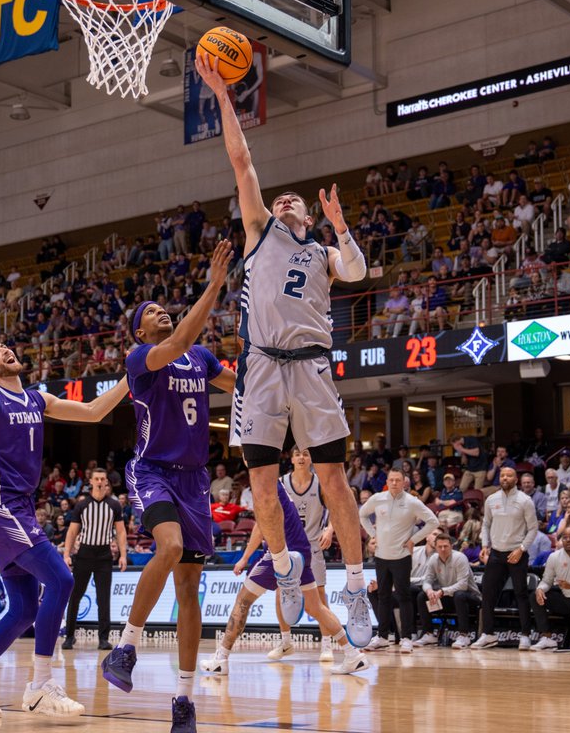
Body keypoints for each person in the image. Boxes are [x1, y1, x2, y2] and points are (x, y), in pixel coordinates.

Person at [196, 51, 374, 649]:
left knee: (334, 479)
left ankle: (353, 589)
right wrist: (224, 94)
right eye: (283, 200)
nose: (286, 202)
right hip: (263, 366)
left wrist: (341, 225)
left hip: (314, 365)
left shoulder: (324, 251)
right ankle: (287, 569)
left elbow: (358, 270)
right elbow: (241, 159)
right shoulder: (259, 231)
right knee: (263, 484)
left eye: (295, 201)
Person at [0, 339, 132, 721]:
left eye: (6, 347)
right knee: (61, 579)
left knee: (24, 610)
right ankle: (41, 684)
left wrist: (130, 377)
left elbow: (92, 411)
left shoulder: (37, 399)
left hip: (20, 507)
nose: (6, 351)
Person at [100, 241, 237, 732]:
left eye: (164, 309)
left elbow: (237, 383)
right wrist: (215, 285)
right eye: (152, 311)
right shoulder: (141, 359)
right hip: (153, 470)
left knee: (190, 593)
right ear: (140, 330)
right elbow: (177, 343)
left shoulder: (200, 356)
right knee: (170, 545)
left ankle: (184, 698)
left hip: (195, 481)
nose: (162, 313)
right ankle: (126, 645)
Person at [201, 482, 367, 677]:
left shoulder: (261, 481)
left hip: (281, 553)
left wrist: (245, 558)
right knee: (316, 607)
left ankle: (221, 659)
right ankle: (352, 654)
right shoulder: (275, 481)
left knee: (243, 601)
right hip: (302, 549)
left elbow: (261, 527)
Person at [359, 468, 439, 653]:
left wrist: (413, 540)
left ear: (404, 482)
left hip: (401, 557)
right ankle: (382, 637)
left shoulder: (412, 502)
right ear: (387, 481)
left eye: (398, 480)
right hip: (381, 556)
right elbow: (362, 514)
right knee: (383, 597)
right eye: (391, 480)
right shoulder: (378, 498)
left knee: (403, 597)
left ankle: (406, 638)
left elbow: (433, 521)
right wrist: (373, 535)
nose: (394, 483)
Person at [269, 446, 336, 661]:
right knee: (281, 592)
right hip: (287, 547)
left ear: (310, 459)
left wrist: (329, 528)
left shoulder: (319, 482)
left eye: (305, 454)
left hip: (312, 545)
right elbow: (269, 509)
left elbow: (336, 507)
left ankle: (327, 645)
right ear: (291, 458)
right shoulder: (281, 482)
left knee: (319, 595)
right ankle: (286, 642)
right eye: (297, 454)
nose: (301, 457)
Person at [472, 467, 538, 649]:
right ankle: (488, 634)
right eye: (502, 475)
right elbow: (486, 524)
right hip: (496, 553)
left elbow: (533, 528)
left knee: (521, 594)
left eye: (509, 475)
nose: (505, 478)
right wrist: (485, 545)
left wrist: (522, 549)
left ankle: (525, 635)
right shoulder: (491, 499)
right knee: (487, 593)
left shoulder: (525, 500)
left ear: (515, 479)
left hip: (517, 553)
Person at [63, 466, 127, 651]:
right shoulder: (82, 505)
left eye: (102, 479)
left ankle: (103, 639)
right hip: (84, 554)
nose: (99, 482)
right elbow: (73, 531)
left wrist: (123, 555)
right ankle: (69, 636)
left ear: (107, 482)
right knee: (75, 596)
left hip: (104, 555)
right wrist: (67, 554)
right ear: (90, 482)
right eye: (96, 479)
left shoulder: (114, 505)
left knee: (103, 598)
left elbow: (121, 532)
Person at [529, 528, 570, 652]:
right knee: (535, 595)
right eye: (565, 537)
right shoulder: (554, 557)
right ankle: (546, 637)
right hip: (564, 601)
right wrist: (540, 589)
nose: (568, 540)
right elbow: (546, 581)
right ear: (561, 540)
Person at [417, 533, 481, 649]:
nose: (442, 549)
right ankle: (429, 634)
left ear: (451, 546)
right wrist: (429, 590)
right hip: (450, 599)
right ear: (435, 547)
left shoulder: (460, 558)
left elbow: (463, 585)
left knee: (459, 595)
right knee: (422, 596)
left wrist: (442, 591)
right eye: (440, 546)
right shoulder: (433, 559)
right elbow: (427, 581)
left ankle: (464, 635)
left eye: (445, 546)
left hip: (471, 599)